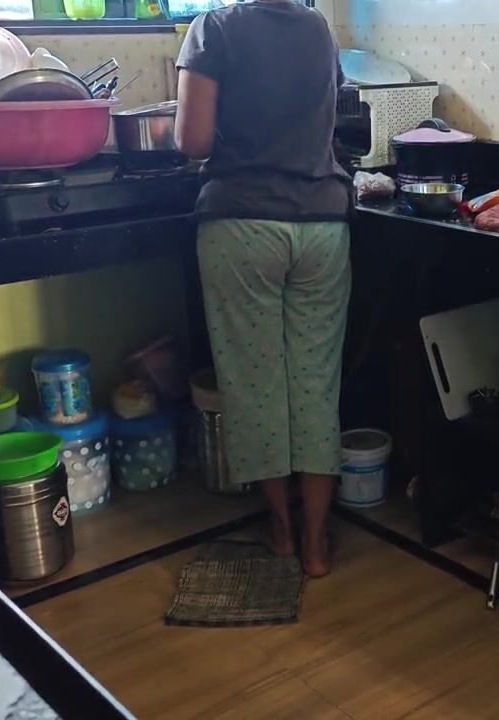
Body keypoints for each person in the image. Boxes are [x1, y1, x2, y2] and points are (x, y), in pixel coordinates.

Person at [175, 0, 352, 578]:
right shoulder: (319, 28)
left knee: (255, 384)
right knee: (316, 386)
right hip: (323, 225)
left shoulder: (214, 28)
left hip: (242, 223)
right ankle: (317, 541)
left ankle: (281, 531)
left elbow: (193, 140)